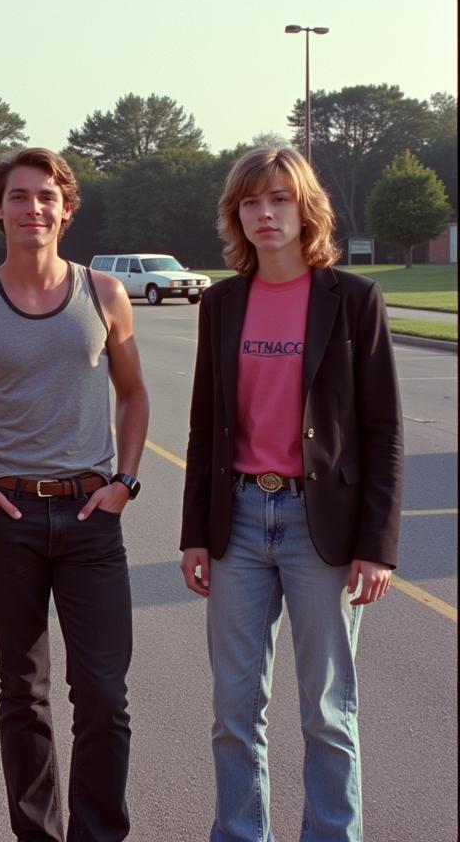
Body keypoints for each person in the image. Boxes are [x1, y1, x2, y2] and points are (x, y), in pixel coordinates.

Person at [179, 146, 403, 842]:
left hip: (322, 527)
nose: (264, 213)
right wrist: (194, 533)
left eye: (278, 199)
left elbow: (383, 431)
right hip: (240, 521)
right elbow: (204, 426)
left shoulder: (352, 299)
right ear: (235, 215)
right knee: (234, 710)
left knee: (326, 711)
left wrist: (377, 547)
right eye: (250, 202)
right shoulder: (220, 303)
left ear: (305, 208)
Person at [0, 147, 150, 842]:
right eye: (20, 197)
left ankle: (97, 834)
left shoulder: (104, 295)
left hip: (92, 518)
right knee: (23, 695)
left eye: (47, 197)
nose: (34, 209)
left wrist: (125, 482)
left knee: (106, 699)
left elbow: (134, 394)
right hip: (10, 519)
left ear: (67, 208)